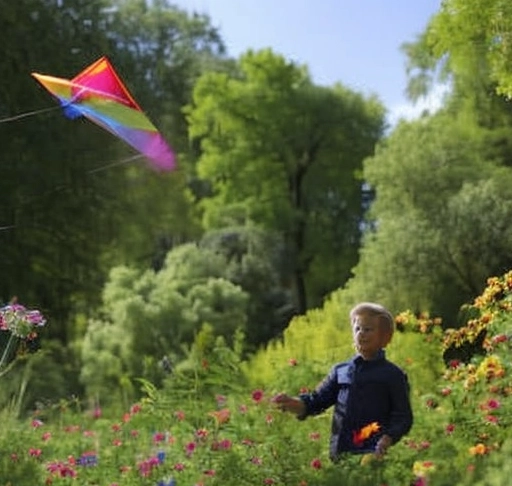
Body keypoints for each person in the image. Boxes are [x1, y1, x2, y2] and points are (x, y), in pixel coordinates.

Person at [273, 302, 413, 462]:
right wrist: (294, 403)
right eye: (357, 329)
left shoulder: (393, 374)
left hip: (374, 454)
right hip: (341, 453)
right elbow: (317, 401)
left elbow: (403, 417)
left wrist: (388, 438)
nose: (361, 333)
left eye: (368, 329)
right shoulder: (340, 371)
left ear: (385, 337)